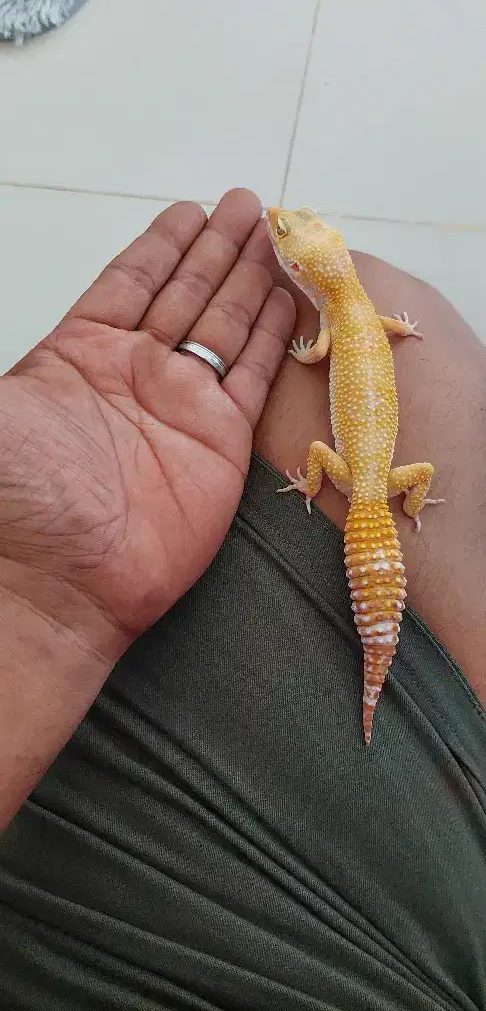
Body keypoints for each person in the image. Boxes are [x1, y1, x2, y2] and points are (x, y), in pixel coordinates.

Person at [0, 188, 484, 1010]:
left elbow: (313, 355)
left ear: (303, 262)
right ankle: (375, 665)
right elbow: (385, 330)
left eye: (294, 238)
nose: (286, 235)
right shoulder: (361, 309)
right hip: (377, 487)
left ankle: (377, 669)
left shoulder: (329, 323)